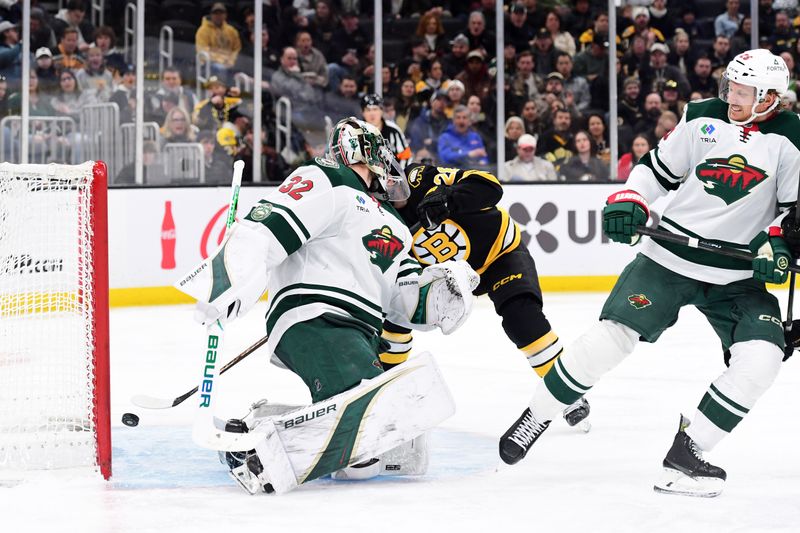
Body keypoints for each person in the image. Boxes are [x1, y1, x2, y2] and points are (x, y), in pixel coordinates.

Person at [499, 49, 800, 498]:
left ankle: (688, 454)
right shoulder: (702, 117)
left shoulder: (791, 138)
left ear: (770, 97)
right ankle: (539, 413)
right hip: (669, 259)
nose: (730, 96)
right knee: (612, 337)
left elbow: (792, 212)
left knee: (762, 358)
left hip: (738, 275)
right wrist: (631, 198)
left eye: (742, 91)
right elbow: (656, 171)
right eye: (731, 87)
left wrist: (776, 242)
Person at [177, 117, 479, 493]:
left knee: (383, 429)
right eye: (379, 154)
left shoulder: (397, 227)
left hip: (362, 334)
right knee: (368, 424)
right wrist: (228, 281)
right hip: (315, 316)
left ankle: (259, 428)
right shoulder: (327, 178)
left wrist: (443, 294)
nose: (387, 164)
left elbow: (405, 297)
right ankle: (253, 454)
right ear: (363, 150)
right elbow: (265, 229)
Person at [380, 161, 589, 430]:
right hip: (448, 278)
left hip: (499, 254)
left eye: (392, 180)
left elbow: (489, 185)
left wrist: (449, 198)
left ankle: (567, 393)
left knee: (521, 318)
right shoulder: (377, 218)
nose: (393, 189)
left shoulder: (422, 177)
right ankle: (380, 397)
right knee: (395, 318)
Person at [361, 93, 411, 170]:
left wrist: (399, 176)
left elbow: (406, 156)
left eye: (375, 109)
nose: (372, 113)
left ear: (381, 111)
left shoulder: (393, 130)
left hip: (392, 178)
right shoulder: (356, 131)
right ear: (363, 113)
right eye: (368, 110)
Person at [195, 2, 242, 84]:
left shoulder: (231, 31)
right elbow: (203, 51)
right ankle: (221, 91)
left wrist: (231, 61)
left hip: (230, 63)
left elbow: (237, 48)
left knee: (242, 69)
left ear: (225, 15)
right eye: (215, 13)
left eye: (221, 13)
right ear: (211, 15)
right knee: (220, 68)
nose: (218, 16)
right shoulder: (203, 31)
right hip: (209, 64)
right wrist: (222, 60)